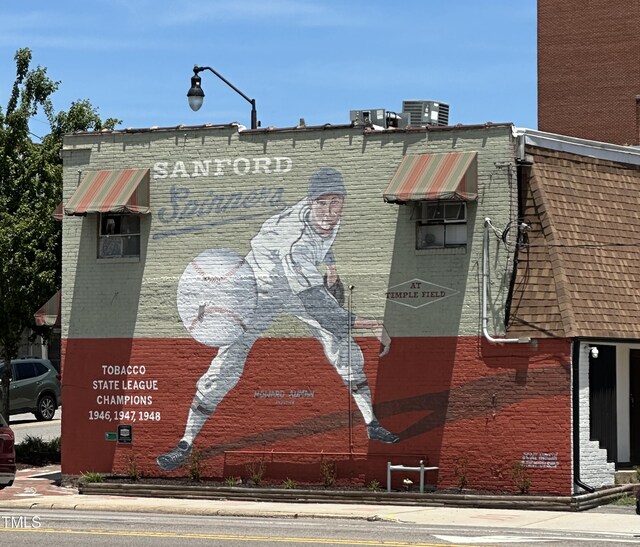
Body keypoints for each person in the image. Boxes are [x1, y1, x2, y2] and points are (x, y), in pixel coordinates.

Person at [157, 167, 399, 471]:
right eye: (322, 204)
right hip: (260, 290)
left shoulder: (324, 218)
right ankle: (185, 442)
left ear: (343, 203)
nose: (328, 211)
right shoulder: (295, 243)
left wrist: (332, 268)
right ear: (310, 203)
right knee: (227, 365)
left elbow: (324, 243)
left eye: (335, 202)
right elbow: (328, 315)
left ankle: (371, 423)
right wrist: (375, 325)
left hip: (296, 288)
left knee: (344, 348)